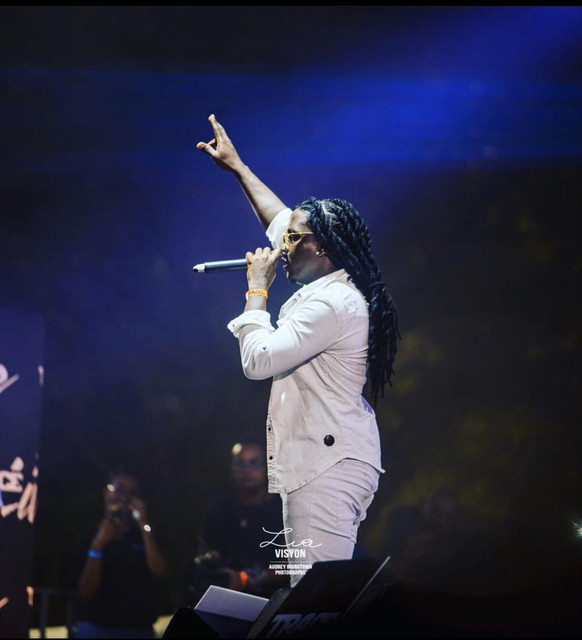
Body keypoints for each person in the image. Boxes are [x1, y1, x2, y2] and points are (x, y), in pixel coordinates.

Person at [196, 114, 400, 587]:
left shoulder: (332, 303)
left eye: (293, 240)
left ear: (322, 248)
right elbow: (279, 220)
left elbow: (258, 361)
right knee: (311, 592)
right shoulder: (325, 283)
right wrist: (238, 167)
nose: (282, 245)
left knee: (314, 594)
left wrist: (256, 290)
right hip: (325, 461)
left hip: (327, 466)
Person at [180, 437, 286, 604]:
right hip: (225, 601)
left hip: (271, 602)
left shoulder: (283, 509)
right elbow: (207, 547)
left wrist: (249, 578)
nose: (247, 470)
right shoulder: (221, 507)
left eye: (254, 463)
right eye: (240, 464)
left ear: (268, 466)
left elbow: (294, 564)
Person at [69, 467, 167, 638]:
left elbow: (159, 571)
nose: (125, 498)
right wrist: (98, 546)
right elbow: (85, 591)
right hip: (98, 627)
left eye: (131, 492)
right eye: (119, 490)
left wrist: (143, 523)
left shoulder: (144, 536)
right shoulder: (89, 536)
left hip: (139, 628)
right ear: (106, 493)